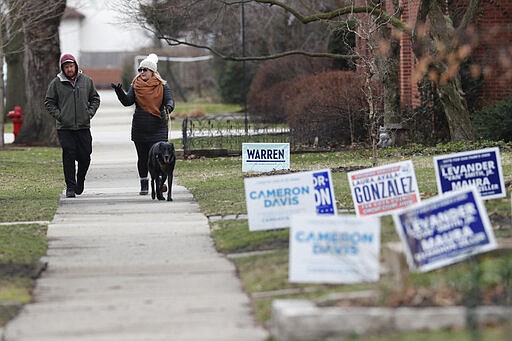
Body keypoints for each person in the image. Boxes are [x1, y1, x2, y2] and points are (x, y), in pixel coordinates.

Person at [111, 53, 175, 195]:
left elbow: (170, 100)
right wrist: (119, 92)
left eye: (144, 70)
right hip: (140, 128)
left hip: (158, 126)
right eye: (140, 70)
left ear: (152, 71)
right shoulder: (136, 86)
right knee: (143, 157)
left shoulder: (163, 85)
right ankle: (144, 183)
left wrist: (169, 107)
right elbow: (128, 101)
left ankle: (159, 181)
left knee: (160, 156)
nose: (141, 73)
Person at [45, 53, 101, 198]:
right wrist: (60, 116)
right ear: (62, 69)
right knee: (69, 155)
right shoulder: (56, 83)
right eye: (66, 67)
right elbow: (49, 102)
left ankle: (80, 179)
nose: (69, 69)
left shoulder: (87, 81)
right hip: (65, 128)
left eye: (71, 66)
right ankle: (70, 186)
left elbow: (95, 98)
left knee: (85, 155)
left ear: (76, 66)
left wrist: (89, 113)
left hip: (83, 126)